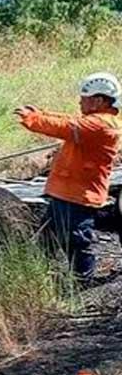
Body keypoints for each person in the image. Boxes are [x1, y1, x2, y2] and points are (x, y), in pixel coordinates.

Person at [16, 72, 122, 283]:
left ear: (98, 100)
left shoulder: (103, 125)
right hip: (66, 194)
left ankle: (83, 283)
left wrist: (33, 119)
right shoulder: (95, 121)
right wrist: (41, 112)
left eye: (84, 98)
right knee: (48, 239)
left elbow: (64, 126)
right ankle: (40, 281)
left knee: (77, 240)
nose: (79, 101)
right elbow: (69, 119)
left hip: (79, 195)